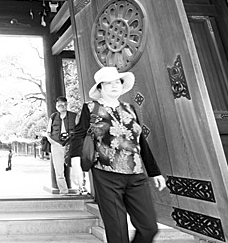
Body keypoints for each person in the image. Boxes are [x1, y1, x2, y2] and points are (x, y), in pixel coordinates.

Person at [70, 66, 166, 243]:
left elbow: (140, 141)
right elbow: (79, 136)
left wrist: (154, 171)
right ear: (100, 88)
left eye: (117, 82)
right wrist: (76, 166)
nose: (115, 86)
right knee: (117, 233)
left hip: (136, 175)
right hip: (106, 175)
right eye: (109, 83)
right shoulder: (90, 108)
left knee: (149, 228)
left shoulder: (130, 108)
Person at [46, 96, 80, 195]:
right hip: (56, 144)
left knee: (76, 167)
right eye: (59, 105)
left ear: (67, 104)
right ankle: (63, 191)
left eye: (64, 104)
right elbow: (48, 132)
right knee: (59, 170)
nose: (62, 106)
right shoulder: (53, 116)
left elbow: (79, 131)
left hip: (71, 143)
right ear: (56, 106)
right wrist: (52, 142)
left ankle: (80, 187)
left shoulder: (74, 116)